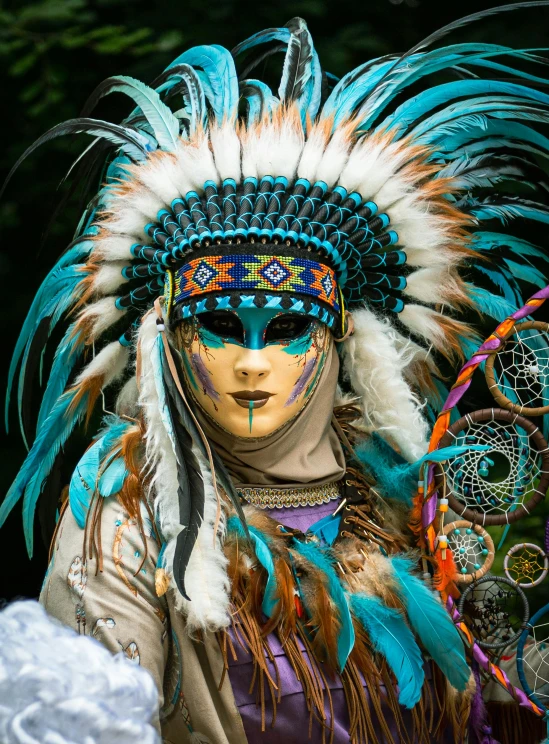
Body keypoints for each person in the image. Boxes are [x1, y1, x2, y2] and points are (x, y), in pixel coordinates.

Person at [2, 8, 549, 743]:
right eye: (221, 328)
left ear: (341, 338)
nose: (253, 362)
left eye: (288, 329)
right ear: (163, 337)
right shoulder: (127, 509)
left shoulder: (416, 492)